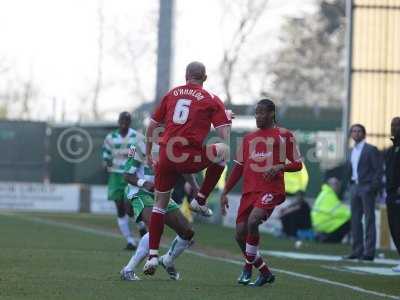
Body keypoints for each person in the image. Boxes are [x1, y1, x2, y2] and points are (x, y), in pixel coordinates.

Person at [143, 61, 232, 275]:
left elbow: (152, 125)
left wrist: (148, 153)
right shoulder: (211, 99)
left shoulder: (172, 93)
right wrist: (227, 119)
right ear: (205, 77)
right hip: (187, 156)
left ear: (186, 76)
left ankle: (153, 256)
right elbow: (224, 136)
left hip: (165, 154)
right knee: (223, 151)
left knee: (159, 206)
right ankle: (200, 199)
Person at [220, 99, 302, 287]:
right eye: (256, 113)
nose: (258, 116)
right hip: (249, 192)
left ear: (271, 113)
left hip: (270, 190)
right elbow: (238, 168)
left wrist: (279, 166)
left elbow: (298, 164)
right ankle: (264, 272)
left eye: (262, 113)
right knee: (240, 235)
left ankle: (247, 268)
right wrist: (225, 191)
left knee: (253, 221)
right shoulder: (249, 138)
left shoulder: (284, 135)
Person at [120, 142, 197, 281]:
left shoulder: (174, 146)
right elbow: (126, 175)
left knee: (187, 232)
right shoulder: (139, 145)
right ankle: (128, 269)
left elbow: (185, 170)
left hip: (162, 193)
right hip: (141, 193)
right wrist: (145, 183)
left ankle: (167, 260)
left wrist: (196, 188)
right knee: (156, 229)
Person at [102, 112, 146, 250]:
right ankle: (130, 241)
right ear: (118, 121)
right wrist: (106, 162)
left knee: (130, 208)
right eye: (122, 120)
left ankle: (142, 228)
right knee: (120, 208)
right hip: (115, 175)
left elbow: (143, 153)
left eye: (127, 120)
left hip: (130, 175)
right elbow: (105, 153)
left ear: (130, 122)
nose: (124, 122)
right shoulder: (111, 137)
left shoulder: (137, 137)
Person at [344, 124, 383, 261]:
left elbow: (378, 169)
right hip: (354, 187)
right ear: (351, 134)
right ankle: (357, 250)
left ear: (364, 134)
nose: (356, 133)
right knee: (355, 220)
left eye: (359, 131)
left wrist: (373, 187)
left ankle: (369, 252)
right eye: (354, 131)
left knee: (369, 219)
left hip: (367, 187)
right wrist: (349, 185)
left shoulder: (371, 149)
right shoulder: (350, 151)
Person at [311, 177, 351, 243]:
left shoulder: (324, 193)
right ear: (329, 185)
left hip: (319, 226)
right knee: (351, 220)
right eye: (336, 184)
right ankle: (330, 239)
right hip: (325, 226)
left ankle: (323, 237)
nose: (338, 187)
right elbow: (340, 212)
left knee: (344, 219)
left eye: (338, 184)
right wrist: (353, 214)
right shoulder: (330, 195)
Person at [384, 117, 400, 272]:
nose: (394, 127)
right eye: (392, 125)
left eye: (397, 125)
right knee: (394, 227)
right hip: (390, 193)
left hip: (398, 192)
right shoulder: (390, 149)